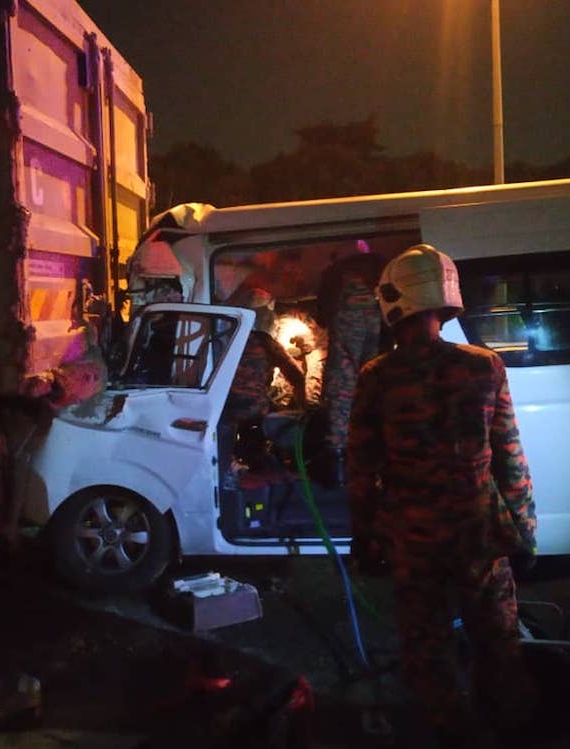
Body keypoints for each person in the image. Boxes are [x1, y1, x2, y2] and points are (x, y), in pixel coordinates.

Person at [346, 244, 538, 748]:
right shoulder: (485, 366)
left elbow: (362, 468)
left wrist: (364, 538)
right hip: (479, 528)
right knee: (498, 639)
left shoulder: (377, 377)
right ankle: (513, 727)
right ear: (442, 302)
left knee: (427, 648)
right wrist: (525, 530)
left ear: (395, 303)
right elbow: (509, 456)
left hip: (414, 535)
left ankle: (457, 733)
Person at [317, 244, 383, 487]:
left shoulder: (337, 274)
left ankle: (337, 461)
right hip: (376, 327)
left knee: (342, 386)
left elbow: (322, 312)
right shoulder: (377, 267)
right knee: (372, 381)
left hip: (348, 327)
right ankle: (372, 453)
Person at [222, 286, 307, 473]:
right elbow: (296, 377)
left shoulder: (222, 339)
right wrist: (303, 408)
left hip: (223, 407)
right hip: (253, 408)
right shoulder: (265, 343)